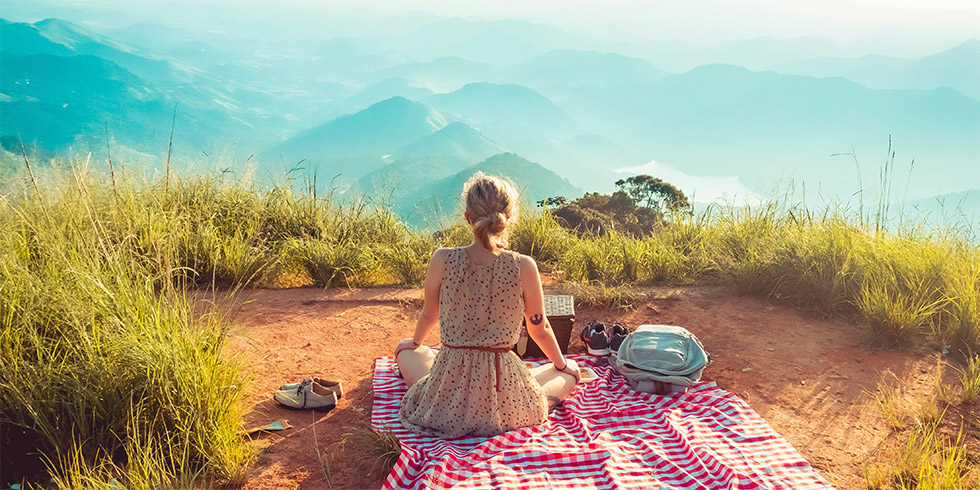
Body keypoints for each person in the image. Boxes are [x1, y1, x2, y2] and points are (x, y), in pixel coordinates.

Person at [394, 172, 580, 438]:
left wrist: (414, 342)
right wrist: (562, 365)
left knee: (407, 352)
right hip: (504, 391)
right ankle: (555, 376)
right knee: (567, 373)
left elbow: (429, 314)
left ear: (468, 218)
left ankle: (429, 371)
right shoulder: (523, 265)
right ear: (508, 218)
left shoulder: (442, 259)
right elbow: (540, 329)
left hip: (449, 386)